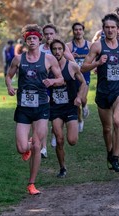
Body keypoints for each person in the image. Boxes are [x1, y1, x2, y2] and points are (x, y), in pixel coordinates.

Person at [5, 24, 64, 195]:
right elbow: (8, 76)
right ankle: (27, 146)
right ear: (25, 40)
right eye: (29, 38)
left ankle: (31, 183)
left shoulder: (49, 59)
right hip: (23, 107)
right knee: (22, 148)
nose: (32, 41)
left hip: (41, 107)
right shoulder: (18, 59)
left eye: (35, 38)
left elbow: (60, 79)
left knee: (38, 144)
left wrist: (52, 82)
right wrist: (9, 87)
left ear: (40, 40)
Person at [81, 13, 119, 173]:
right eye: (107, 27)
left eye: (113, 27)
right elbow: (83, 67)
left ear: (118, 29)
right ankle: (110, 153)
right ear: (103, 29)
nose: (110, 30)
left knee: (117, 121)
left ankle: (116, 158)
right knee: (106, 128)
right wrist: (97, 63)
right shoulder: (97, 46)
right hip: (103, 91)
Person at [49, 39, 87, 177]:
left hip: (70, 107)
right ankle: (62, 168)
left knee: (72, 141)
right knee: (59, 139)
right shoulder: (47, 67)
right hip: (55, 108)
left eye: (60, 49)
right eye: (55, 49)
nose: (57, 51)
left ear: (64, 51)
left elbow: (83, 83)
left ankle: (76, 125)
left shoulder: (72, 66)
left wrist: (79, 97)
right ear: (51, 51)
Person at [39, 23, 76, 157]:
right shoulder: (40, 48)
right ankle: (43, 148)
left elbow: (73, 65)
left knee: (54, 114)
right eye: (46, 34)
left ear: (55, 35)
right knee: (42, 116)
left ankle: (55, 132)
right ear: (43, 36)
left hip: (61, 86)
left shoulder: (61, 47)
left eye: (51, 34)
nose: (49, 36)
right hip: (45, 85)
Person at [66, 22, 92, 133]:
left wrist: (94, 65)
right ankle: (80, 120)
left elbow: (94, 57)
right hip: (73, 76)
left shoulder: (89, 45)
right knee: (76, 101)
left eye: (80, 29)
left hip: (85, 75)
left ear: (83, 31)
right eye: (75, 29)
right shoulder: (69, 46)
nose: (78, 31)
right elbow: (63, 60)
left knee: (82, 98)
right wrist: (71, 56)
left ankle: (85, 106)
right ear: (73, 31)